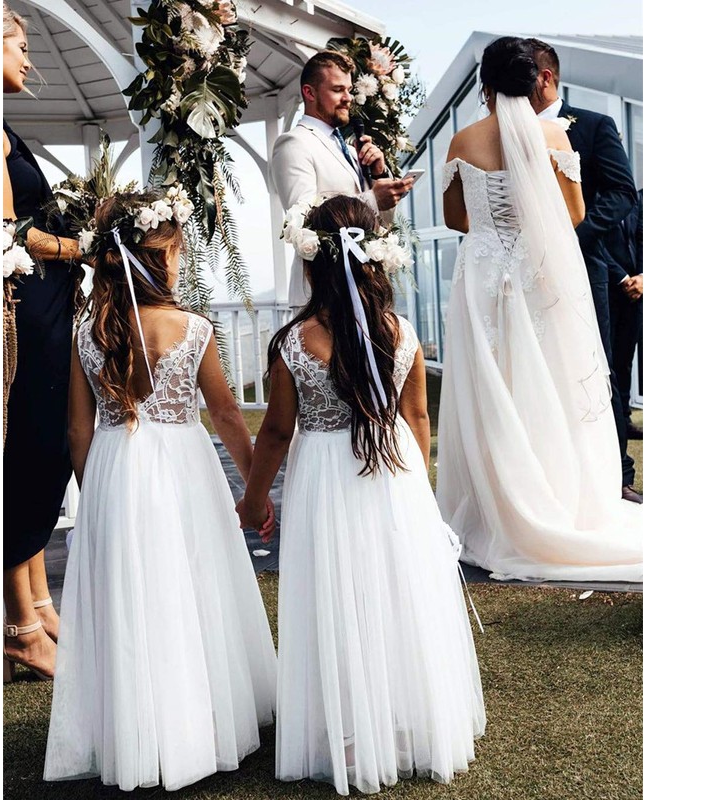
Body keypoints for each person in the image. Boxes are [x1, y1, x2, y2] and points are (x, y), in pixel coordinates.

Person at [237, 195, 485, 796]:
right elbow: (417, 417)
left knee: (337, 594)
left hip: (327, 483)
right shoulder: (401, 332)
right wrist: (418, 496)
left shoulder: (294, 342)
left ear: (312, 263)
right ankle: (403, 723)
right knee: (395, 593)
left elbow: (276, 431)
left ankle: (350, 732)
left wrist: (254, 500)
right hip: (394, 475)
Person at [43, 188, 278, 791]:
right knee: (193, 583)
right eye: (176, 252)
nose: (180, 262)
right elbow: (225, 413)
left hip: (114, 466)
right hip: (182, 466)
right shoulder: (193, 328)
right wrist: (255, 487)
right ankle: (199, 721)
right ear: (158, 259)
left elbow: (77, 430)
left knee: (133, 596)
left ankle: (138, 730)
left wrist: (96, 492)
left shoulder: (88, 331)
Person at [435, 36, 642, 583]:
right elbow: (572, 213)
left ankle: (493, 506)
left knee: (490, 382)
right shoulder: (553, 136)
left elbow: (456, 219)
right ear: (534, 82)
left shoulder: (462, 140)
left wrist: (494, 228)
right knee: (551, 379)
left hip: (483, 272)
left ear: (485, 85)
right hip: (538, 270)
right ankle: (558, 496)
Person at [3, 2, 85, 682]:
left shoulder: (0, 128)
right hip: (23, 311)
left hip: (47, 305)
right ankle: (21, 628)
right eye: (19, 46)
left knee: (41, 450)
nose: (30, 59)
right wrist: (78, 246)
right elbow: (1, 232)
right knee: (26, 451)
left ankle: (38, 602)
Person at [527, 37, 641, 503]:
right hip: (532, 274)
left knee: (602, 373)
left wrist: (572, 236)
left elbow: (621, 193)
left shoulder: (593, 126)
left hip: (596, 272)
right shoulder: (504, 134)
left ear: (545, 78)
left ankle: (617, 476)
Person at [270, 50, 414, 307]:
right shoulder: (294, 143)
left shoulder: (348, 148)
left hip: (365, 287)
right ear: (309, 93)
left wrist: (379, 175)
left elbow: (382, 222)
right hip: (322, 292)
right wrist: (372, 199)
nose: (348, 98)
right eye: (338, 90)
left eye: (349, 90)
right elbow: (305, 221)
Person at [605, 189, 643, 439]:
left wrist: (642, 277)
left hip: (636, 292)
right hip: (607, 286)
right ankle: (611, 423)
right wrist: (622, 278)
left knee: (625, 358)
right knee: (608, 361)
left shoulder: (636, 198)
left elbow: (642, 239)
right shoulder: (595, 193)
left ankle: (624, 417)